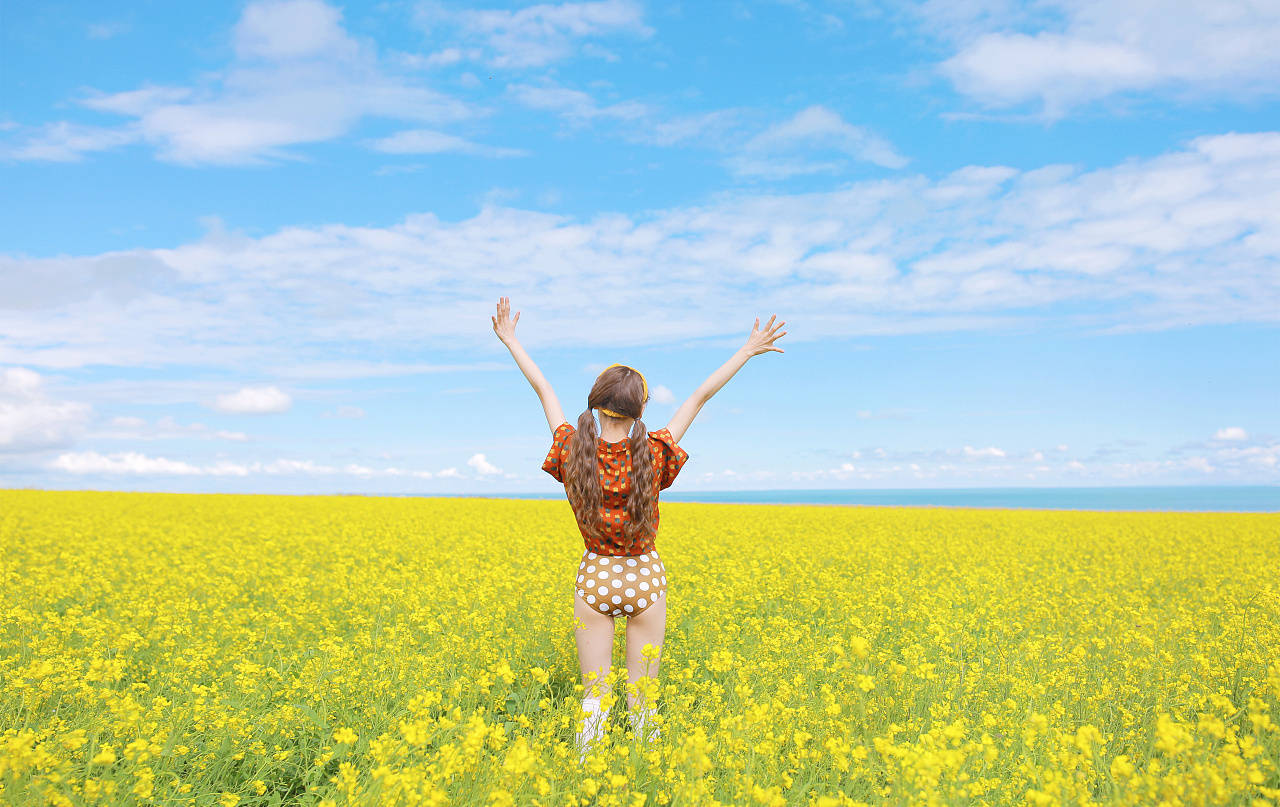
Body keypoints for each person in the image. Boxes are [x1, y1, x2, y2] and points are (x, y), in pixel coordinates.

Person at [490, 296, 787, 762]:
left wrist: (511, 339)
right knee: (642, 699)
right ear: (640, 408)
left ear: (595, 402)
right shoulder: (653, 451)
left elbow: (543, 389)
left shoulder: (571, 448)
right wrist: (747, 350)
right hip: (644, 576)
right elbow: (699, 397)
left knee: (594, 697)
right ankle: (647, 769)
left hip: (595, 579)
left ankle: (586, 769)